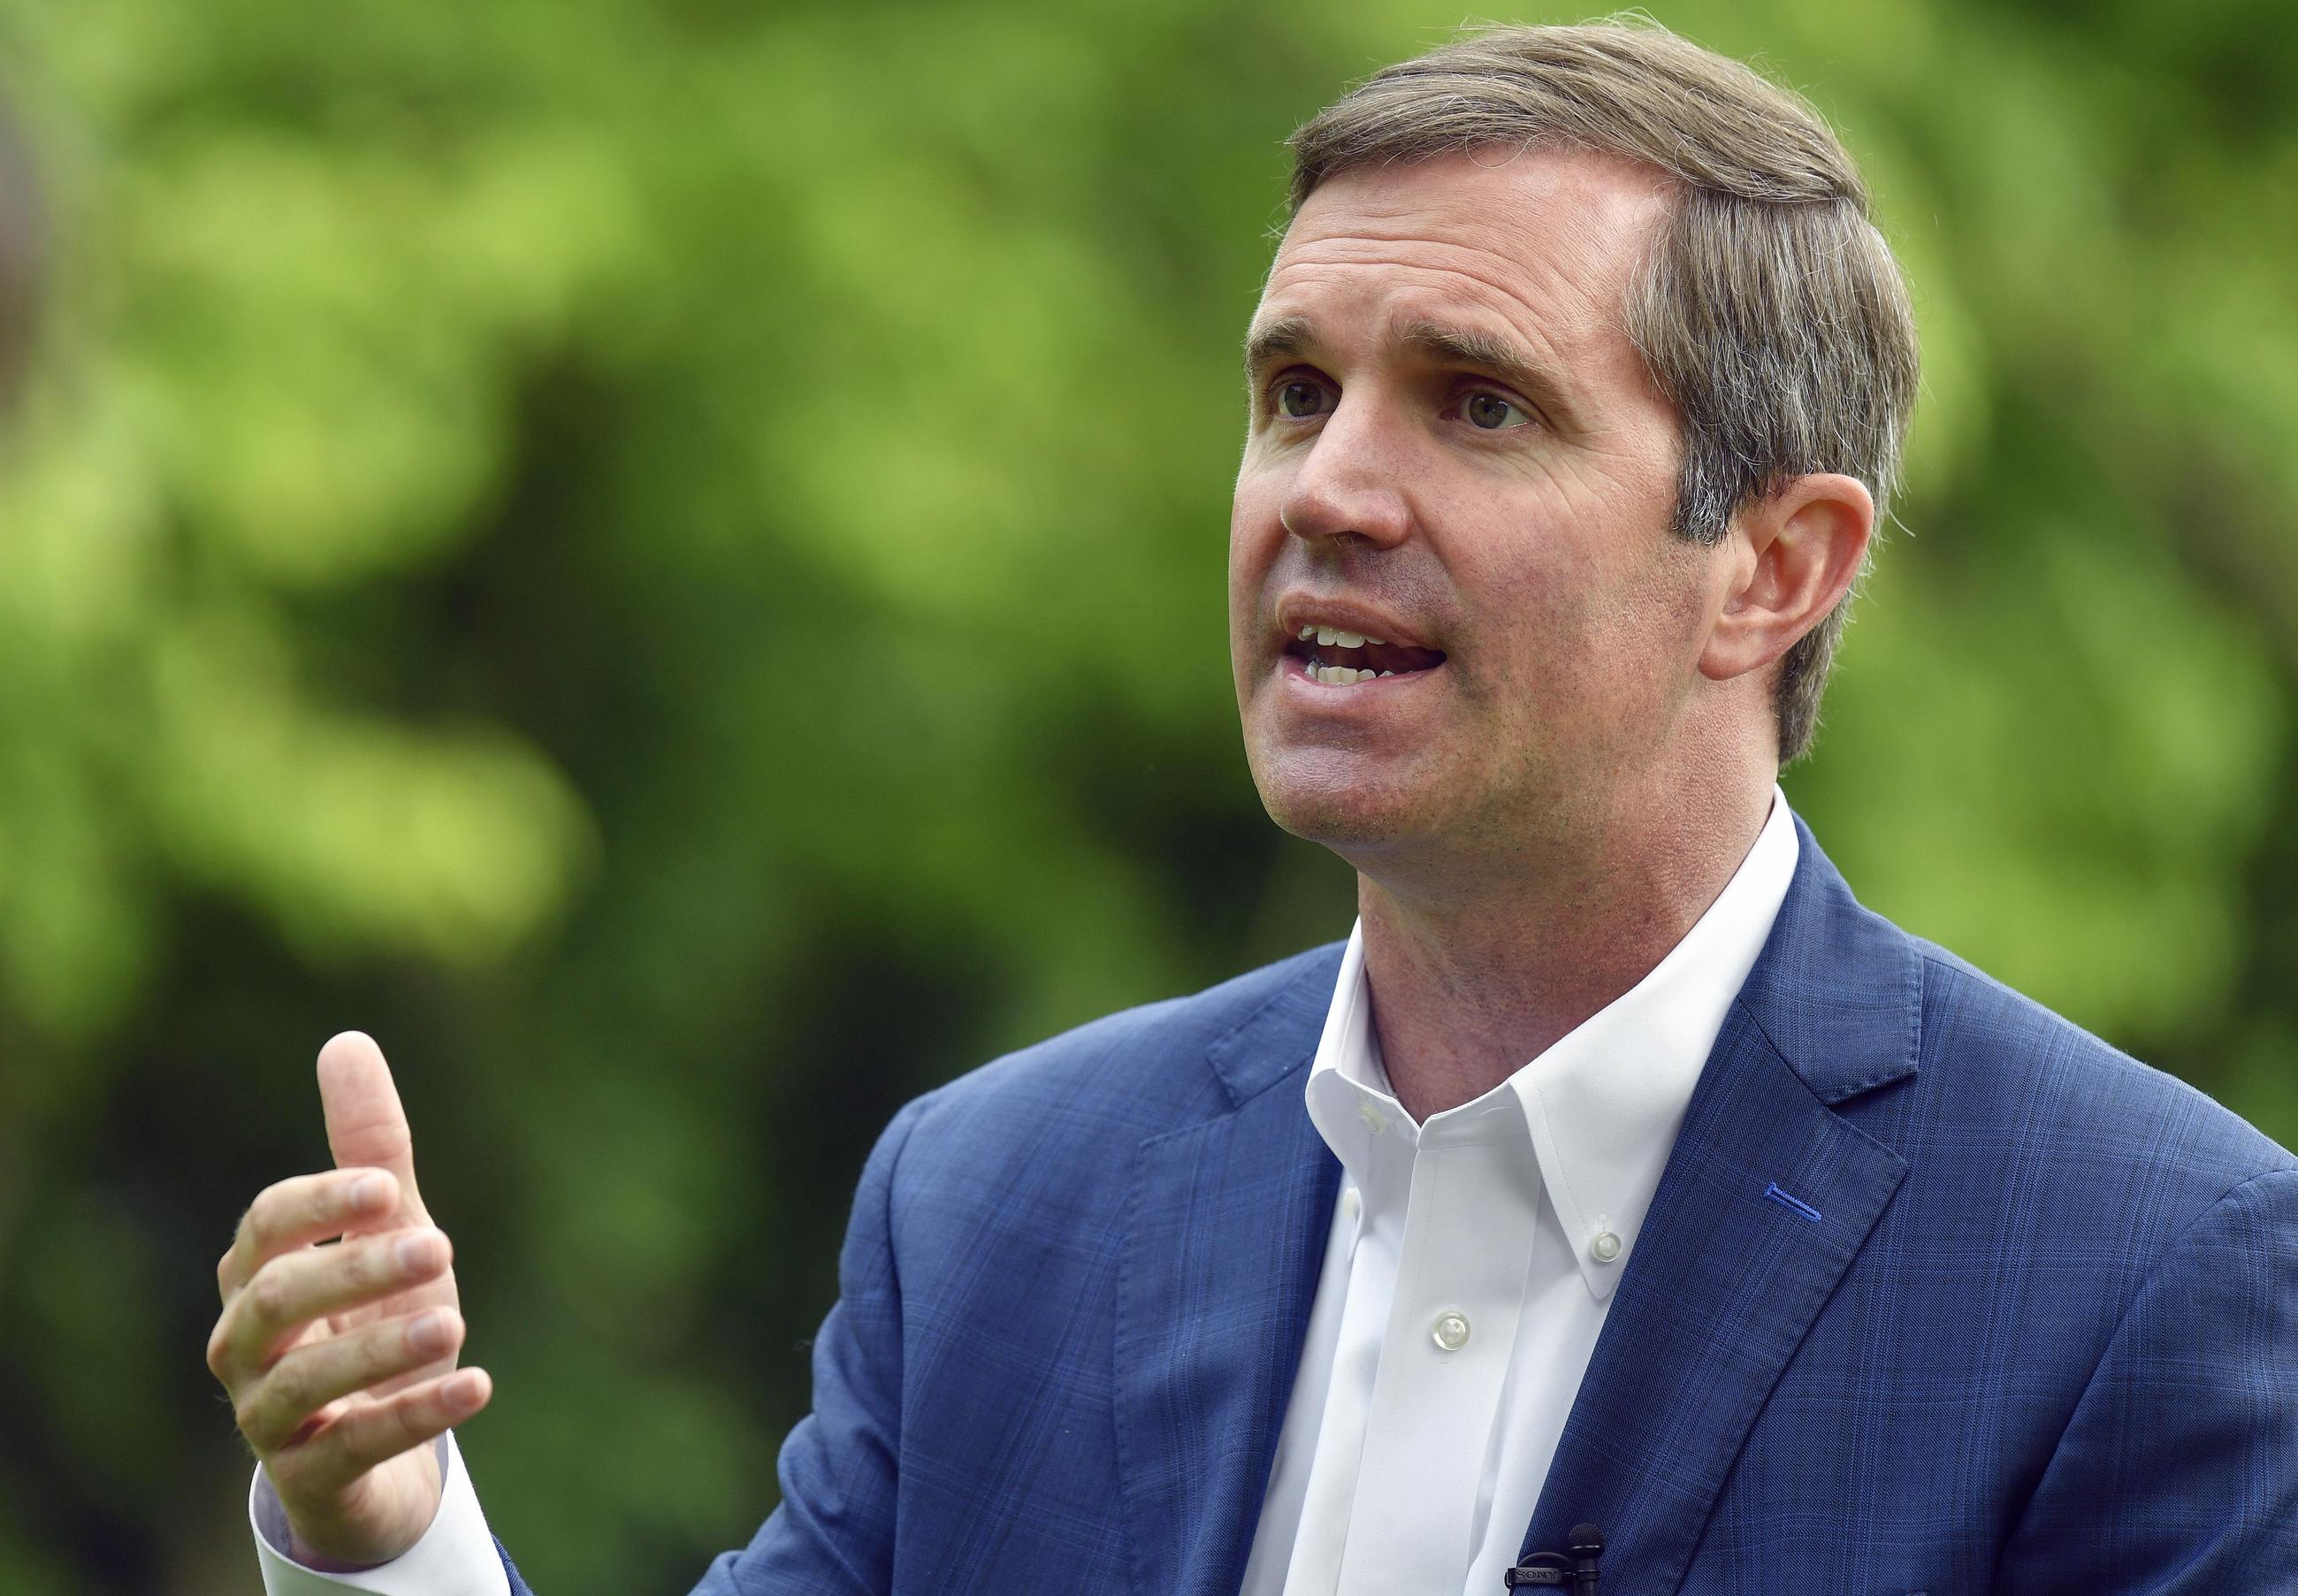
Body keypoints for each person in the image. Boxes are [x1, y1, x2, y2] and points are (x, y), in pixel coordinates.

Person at [206, 20, 2298, 1595]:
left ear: (1771, 566)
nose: (1331, 489)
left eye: (1478, 403)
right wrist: (384, 1536)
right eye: (1296, 392)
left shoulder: (2148, 1279)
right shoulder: (995, 1205)